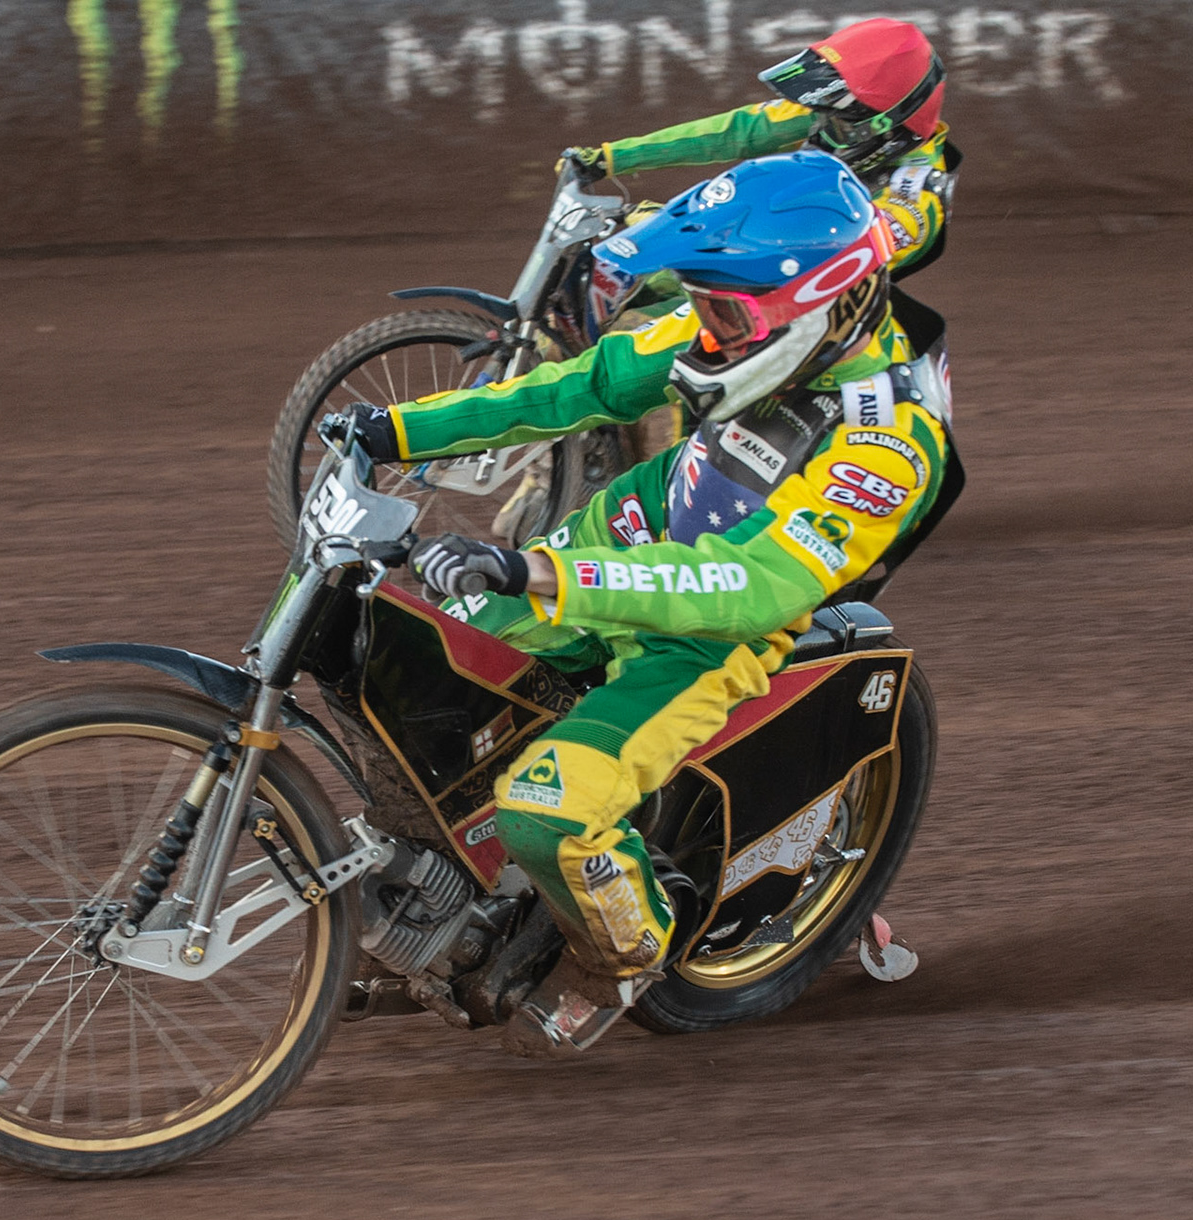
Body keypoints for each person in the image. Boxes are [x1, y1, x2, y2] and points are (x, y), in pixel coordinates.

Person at [330, 150, 958, 1057]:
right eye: (697, 300)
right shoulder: (729, 338)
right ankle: (436, 892)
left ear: (825, 302)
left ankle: (620, 951)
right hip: (611, 548)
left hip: (699, 643)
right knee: (410, 670)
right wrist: (398, 429)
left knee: (548, 808)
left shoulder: (888, 445)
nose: (699, 329)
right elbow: (574, 388)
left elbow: (748, 589)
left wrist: (544, 576)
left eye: (723, 310)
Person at [568, 17, 958, 281]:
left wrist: (680, 231)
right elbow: (738, 131)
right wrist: (613, 157)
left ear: (887, 130)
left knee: (638, 346)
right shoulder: (844, 117)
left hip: (813, 330)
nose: (819, 128)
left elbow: (821, 256)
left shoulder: (915, 197)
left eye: (835, 122)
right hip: (753, 293)